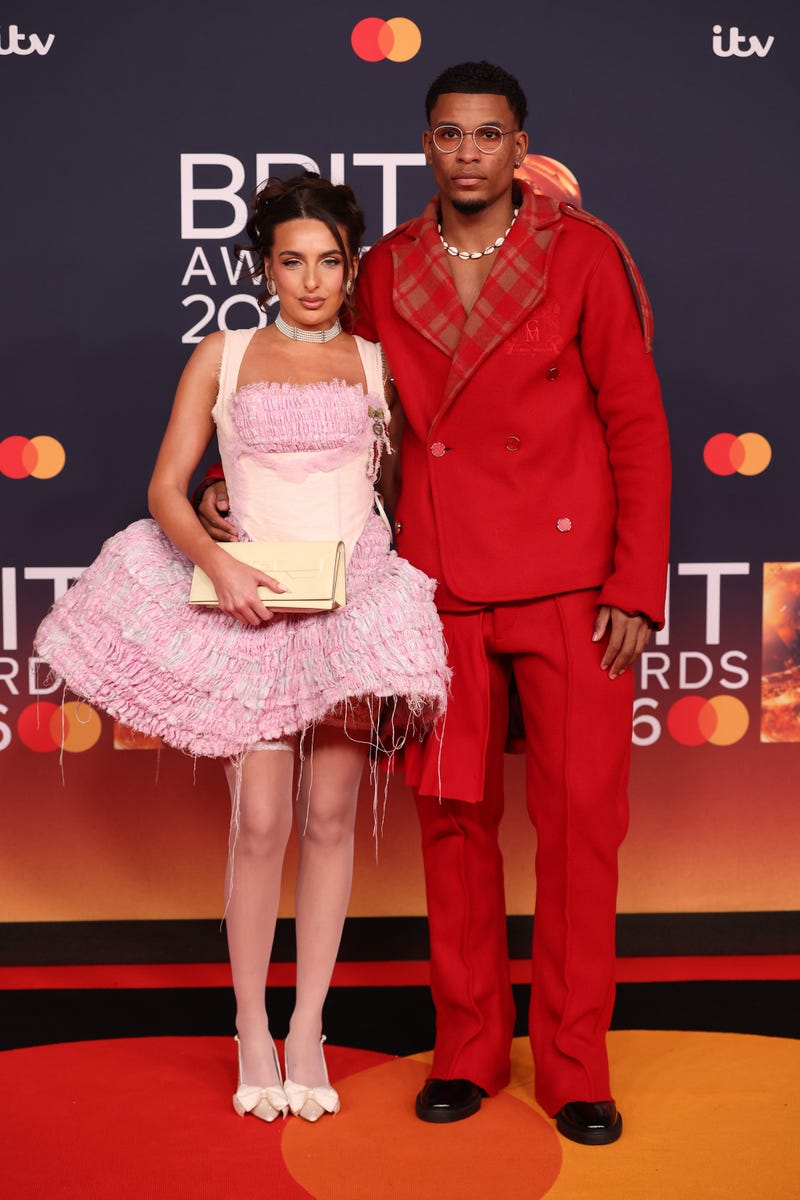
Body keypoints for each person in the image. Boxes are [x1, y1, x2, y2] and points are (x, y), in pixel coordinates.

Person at [197, 62, 671, 1145]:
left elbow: (636, 422)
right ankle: (467, 1048)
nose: (467, 153)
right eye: (449, 134)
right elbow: (326, 387)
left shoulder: (583, 255)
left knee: (581, 829)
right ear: (425, 145)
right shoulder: (387, 267)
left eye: (487, 134)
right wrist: (239, 482)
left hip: (572, 584)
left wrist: (634, 585)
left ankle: (575, 1064)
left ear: (519, 147)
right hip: (440, 585)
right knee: (453, 824)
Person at [35, 174, 449, 1125]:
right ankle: (252, 1027)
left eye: (331, 262)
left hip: (348, 606)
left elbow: (391, 492)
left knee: (332, 819)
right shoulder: (220, 356)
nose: (313, 280)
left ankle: (308, 1029)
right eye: (292, 261)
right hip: (250, 606)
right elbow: (167, 488)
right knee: (260, 823)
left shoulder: (376, 364)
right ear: (265, 267)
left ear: (352, 269)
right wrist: (217, 561)